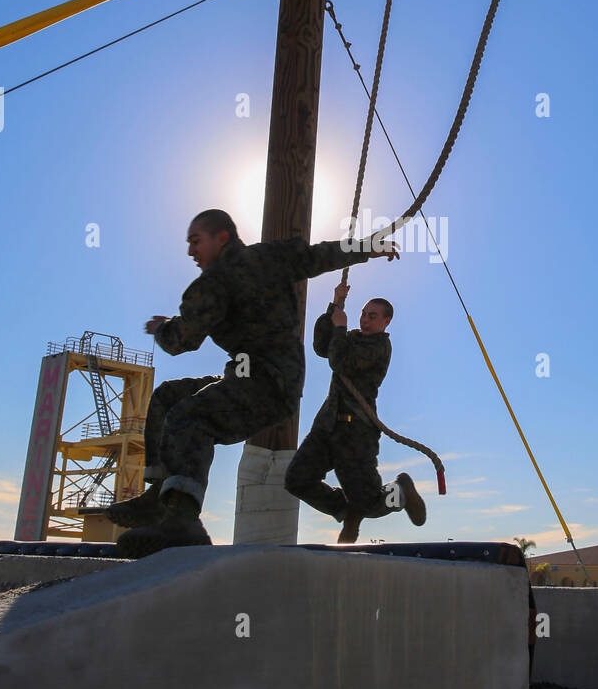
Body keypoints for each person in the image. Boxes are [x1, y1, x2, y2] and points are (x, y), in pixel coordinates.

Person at [110, 209, 398, 557]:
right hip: (263, 381)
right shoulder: (271, 257)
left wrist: (163, 328)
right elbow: (318, 255)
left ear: (222, 238)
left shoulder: (212, 285)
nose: (191, 252)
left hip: (263, 385)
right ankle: (160, 496)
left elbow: (181, 341)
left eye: (196, 241)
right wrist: (367, 247)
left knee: (189, 416)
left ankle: (182, 518)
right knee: (168, 398)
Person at [284, 281, 426, 544]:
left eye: (372, 316)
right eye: (363, 314)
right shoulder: (349, 338)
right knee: (296, 479)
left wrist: (339, 328)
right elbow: (321, 347)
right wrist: (335, 305)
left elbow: (341, 362)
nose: (364, 320)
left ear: (386, 322)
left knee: (369, 504)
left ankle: (401, 492)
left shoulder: (379, 347)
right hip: (327, 426)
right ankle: (344, 509)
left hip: (355, 433)